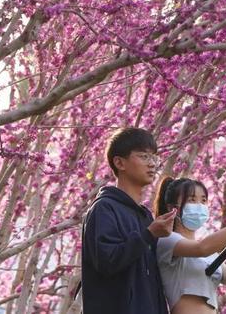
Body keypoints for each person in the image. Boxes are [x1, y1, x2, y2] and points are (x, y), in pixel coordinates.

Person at [81, 128, 177, 314]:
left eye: (154, 157)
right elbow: (107, 262)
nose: (152, 164)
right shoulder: (104, 209)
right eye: (143, 156)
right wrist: (148, 235)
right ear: (119, 162)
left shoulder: (145, 216)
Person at [154, 177, 226, 313]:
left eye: (203, 200)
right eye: (192, 200)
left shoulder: (209, 253)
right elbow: (201, 249)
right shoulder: (168, 240)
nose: (199, 205)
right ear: (172, 208)